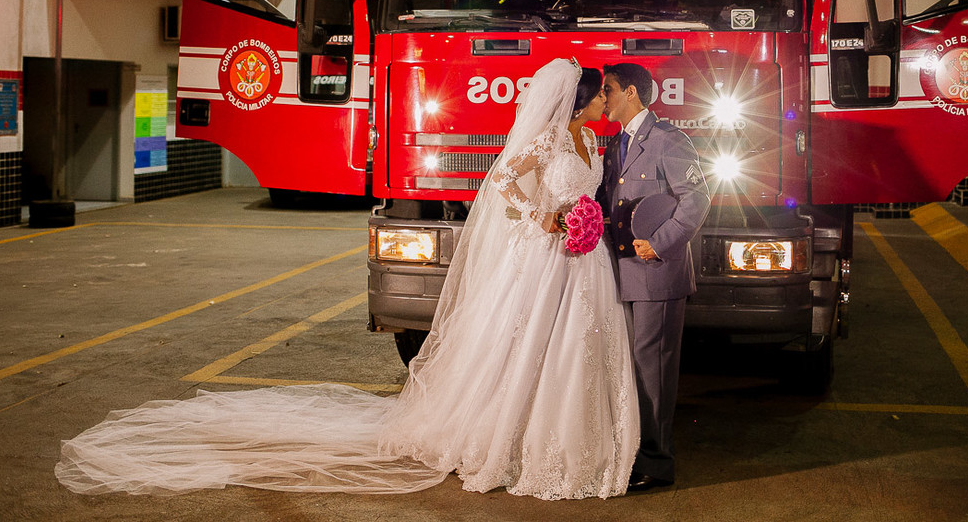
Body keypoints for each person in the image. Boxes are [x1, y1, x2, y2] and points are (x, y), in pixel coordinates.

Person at [55, 59, 640, 500]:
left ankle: (569, 440)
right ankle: (508, 440)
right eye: (601, 93)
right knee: (523, 345)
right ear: (580, 99)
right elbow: (504, 183)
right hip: (542, 253)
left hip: (580, 262)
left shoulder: (593, 138)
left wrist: (581, 219)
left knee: (571, 350)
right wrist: (541, 214)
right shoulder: (545, 137)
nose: (604, 100)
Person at [599, 62, 711, 492]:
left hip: (657, 271)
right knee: (632, 367)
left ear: (631, 92)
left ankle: (657, 462)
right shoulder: (617, 146)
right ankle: (634, 452)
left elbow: (697, 198)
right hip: (624, 272)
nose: (603, 98)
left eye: (608, 90)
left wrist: (660, 242)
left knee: (653, 371)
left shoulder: (668, 140)